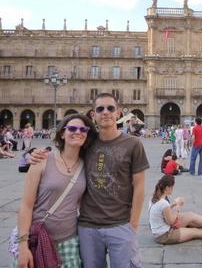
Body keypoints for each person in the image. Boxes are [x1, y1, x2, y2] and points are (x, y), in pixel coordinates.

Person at [32, 93, 150, 268]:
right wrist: (36, 154)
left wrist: (133, 224)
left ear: (118, 113)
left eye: (110, 108)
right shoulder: (85, 142)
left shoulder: (133, 144)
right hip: (88, 227)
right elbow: (64, 154)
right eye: (100, 109)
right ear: (93, 115)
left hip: (121, 224)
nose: (105, 112)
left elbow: (139, 185)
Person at [14, 114, 97, 268]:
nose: (77, 132)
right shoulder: (42, 160)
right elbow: (26, 205)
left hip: (69, 242)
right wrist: (23, 245)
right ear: (62, 133)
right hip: (37, 240)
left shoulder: (87, 165)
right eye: (72, 128)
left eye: (83, 129)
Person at [148, 175, 202, 244]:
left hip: (163, 228)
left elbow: (162, 211)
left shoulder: (155, 197)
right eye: (172, 187)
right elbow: (171, 221)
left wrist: (173, 204)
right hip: (165, 235)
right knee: (195, 232)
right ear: (167, 188)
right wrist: (178, 206)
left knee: (190, 215)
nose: (173, 189)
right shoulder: (163, 203)